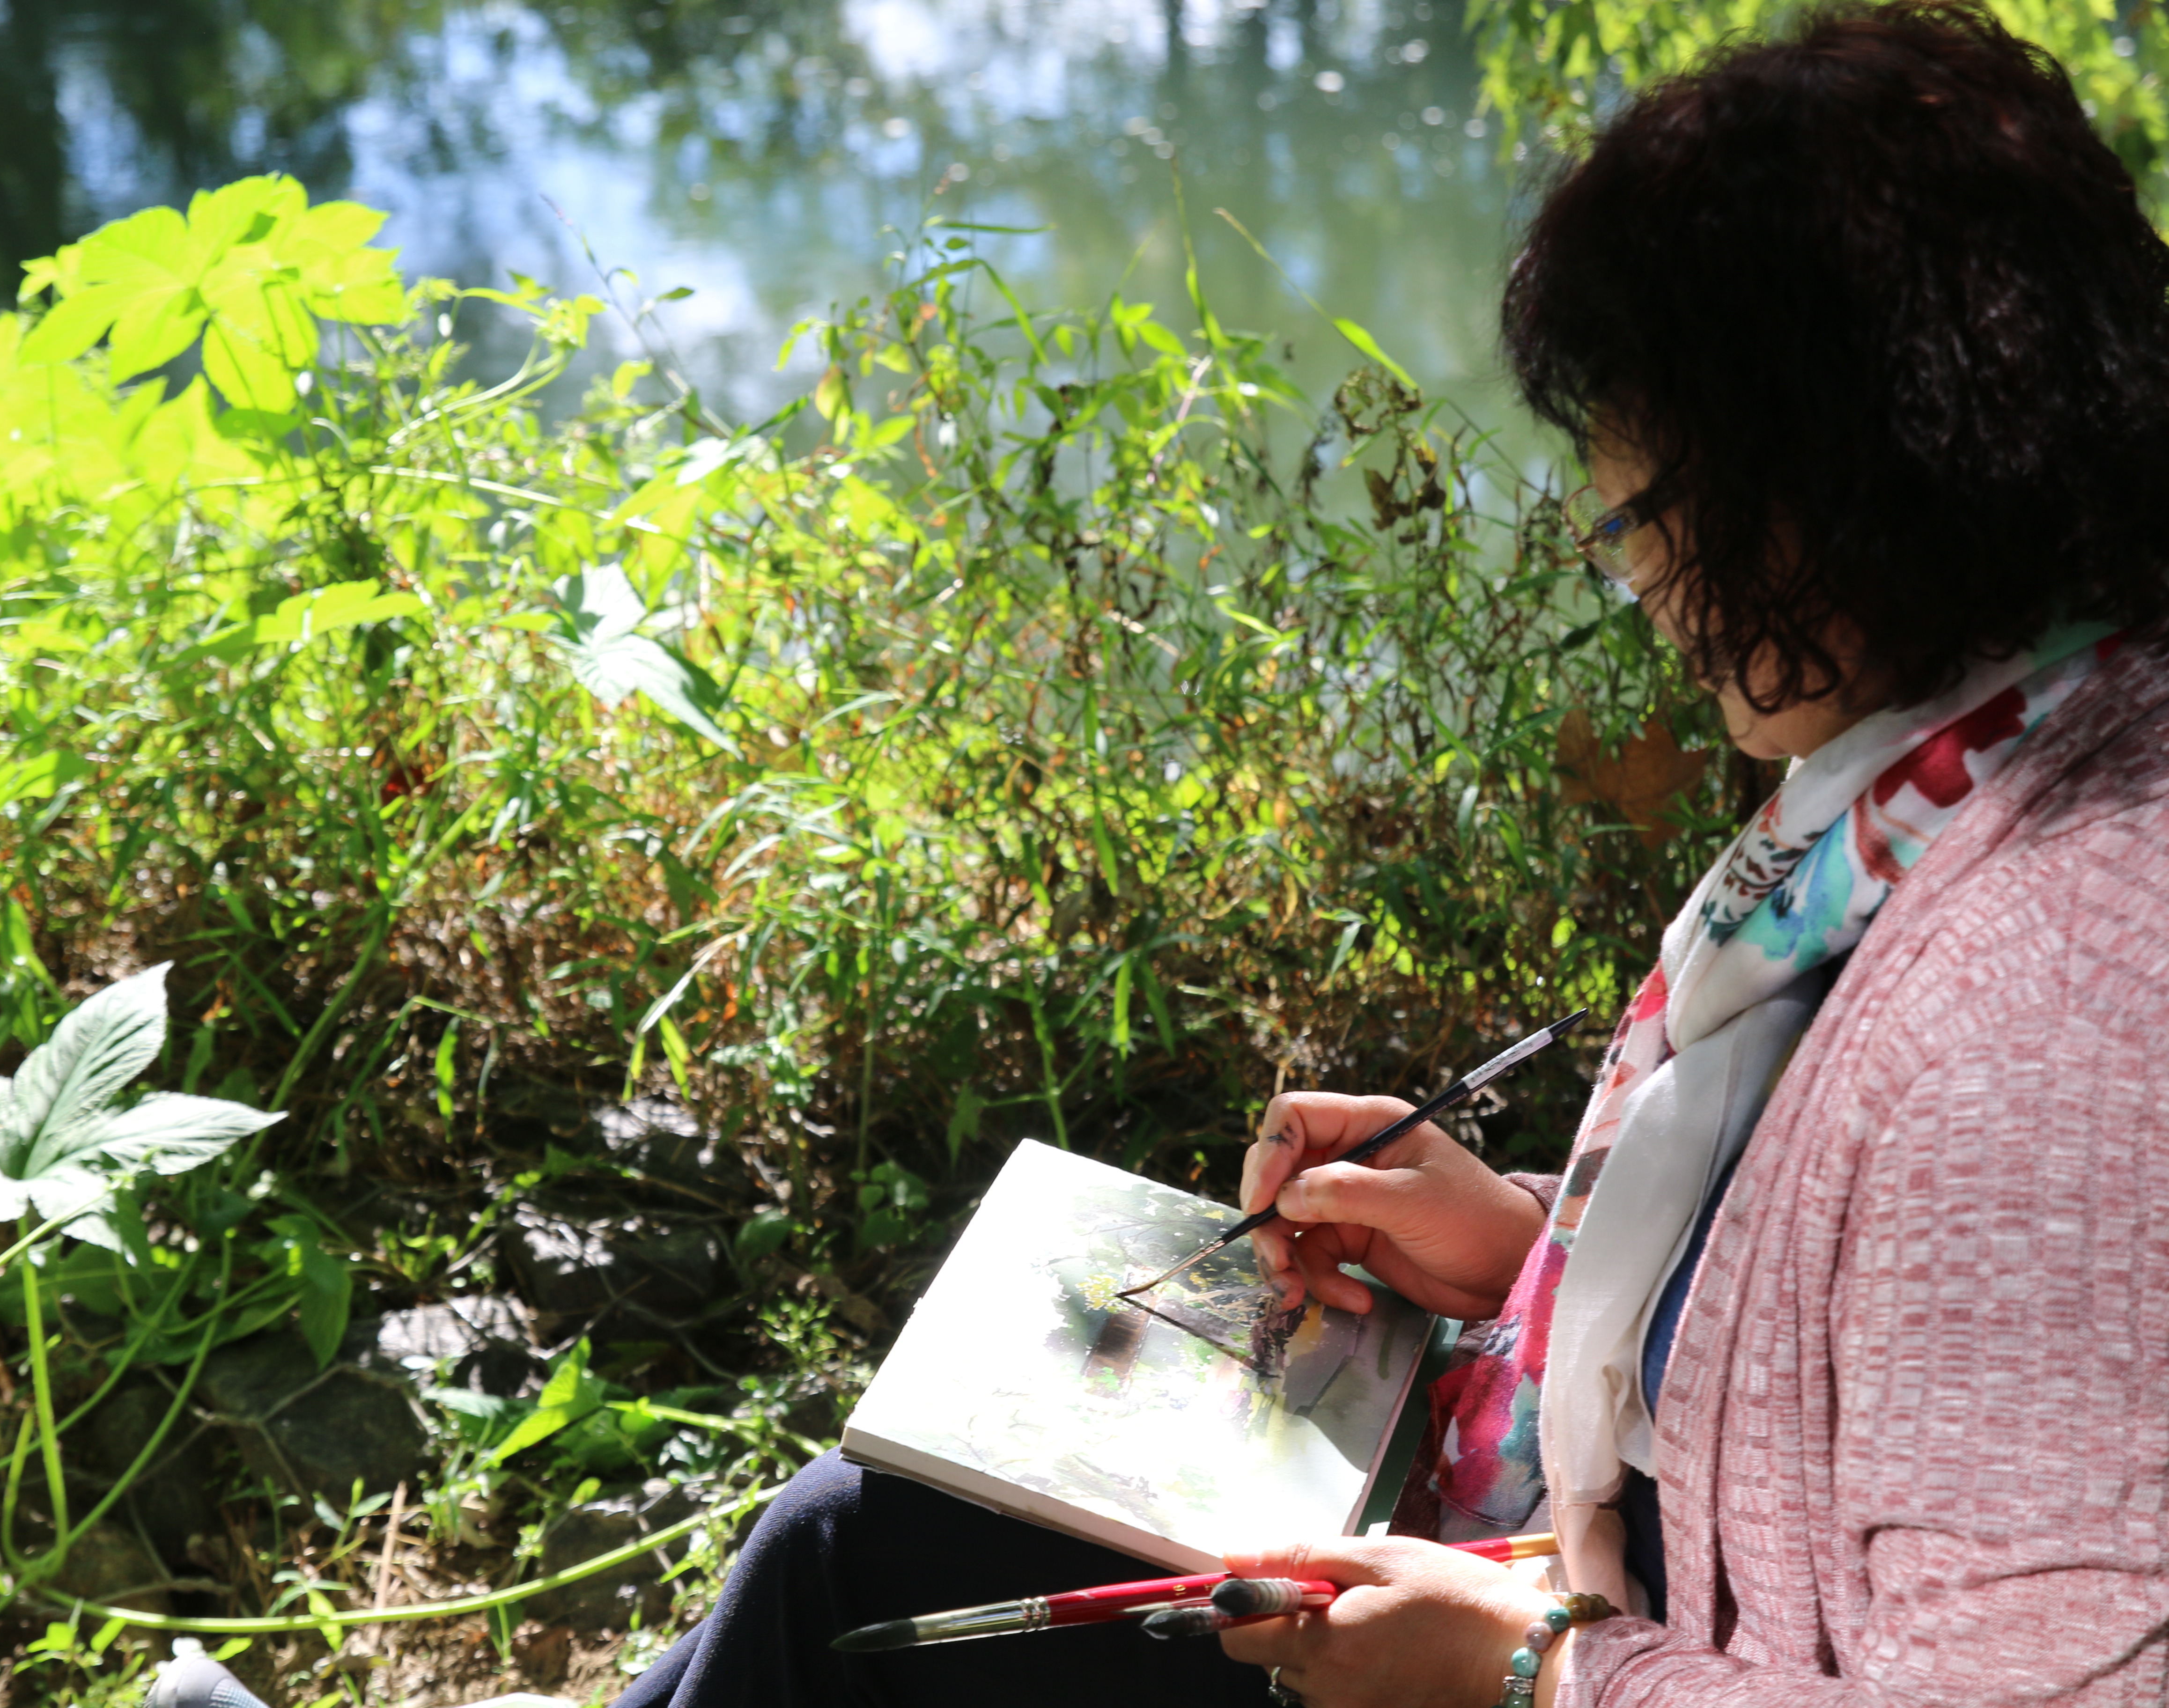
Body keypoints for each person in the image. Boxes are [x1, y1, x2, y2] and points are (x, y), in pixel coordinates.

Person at [618, 5, 2169, 1703]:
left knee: (852, 1574)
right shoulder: (1973, 778)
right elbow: (1860, 1357)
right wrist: (1527, 1268)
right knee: (851, 1541)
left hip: (1574, 1640)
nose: (1643, 587)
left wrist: (1520, 1678)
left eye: (1643, 519)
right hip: (1578, 1558)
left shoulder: (2070, 1000)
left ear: (1821, 488)